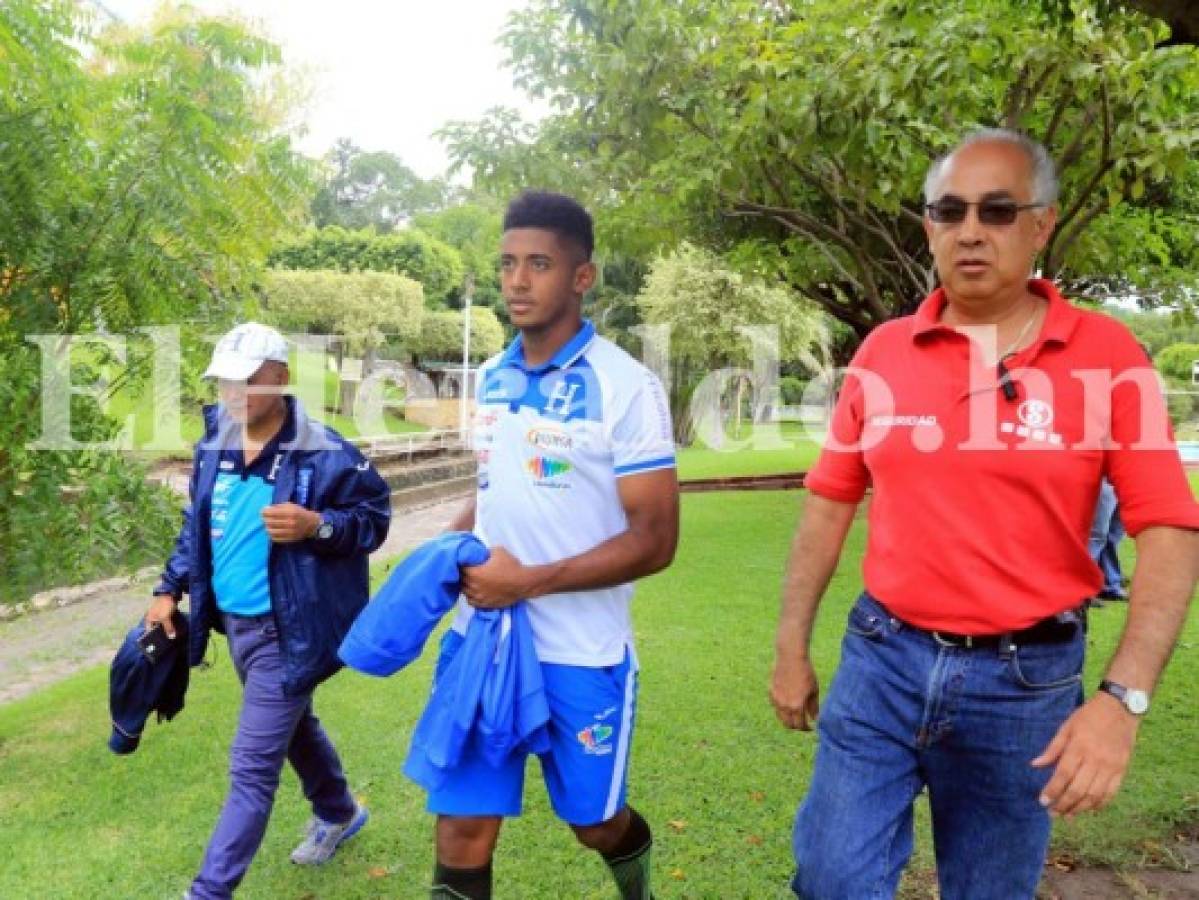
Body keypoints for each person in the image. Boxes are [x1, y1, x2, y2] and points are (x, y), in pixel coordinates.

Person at [769, 129, 1199, 900]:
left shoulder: (1107, 357)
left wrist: (1122, 701)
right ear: (929, 226)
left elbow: (1167, 526)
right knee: (831, 876)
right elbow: (829, 505)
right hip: (881, 660)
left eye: (997, 211)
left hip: (1024, 684)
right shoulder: (882, 352)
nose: (970, 230)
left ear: (1042, 225)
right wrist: (789, 647)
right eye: (948, 210)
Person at [423, 190, 680, 900]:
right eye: (506, 264)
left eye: (538, 263)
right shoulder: (493, 376)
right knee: (460, 829)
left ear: (581, 277)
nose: (516, 280)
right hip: (484, 640)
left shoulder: (624, 386)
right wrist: (446, 553)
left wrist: (527, 580)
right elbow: (494, 487)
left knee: (594, 824)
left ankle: (638, 889)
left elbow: (655, 541)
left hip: (579, 650)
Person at [146, 322, 392, 899]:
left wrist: (319, 525)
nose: (234, 396)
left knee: (252, 767)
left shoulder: (325, 453)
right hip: (236, 626)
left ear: (280, 378)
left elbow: (374, 520)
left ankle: (208, 892)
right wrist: (168, 587)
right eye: (224, 384)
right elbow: (197, 527)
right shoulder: (214, 445)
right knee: (295, 727)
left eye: (246, 382)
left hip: (290, 630)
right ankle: (339, 812)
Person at [1088, 479, 1127, 604]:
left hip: (1126, 480)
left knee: (1114, 535)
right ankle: (1086, 589)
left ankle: (1110, 584)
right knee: (1097, 535)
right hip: (1102, 478)